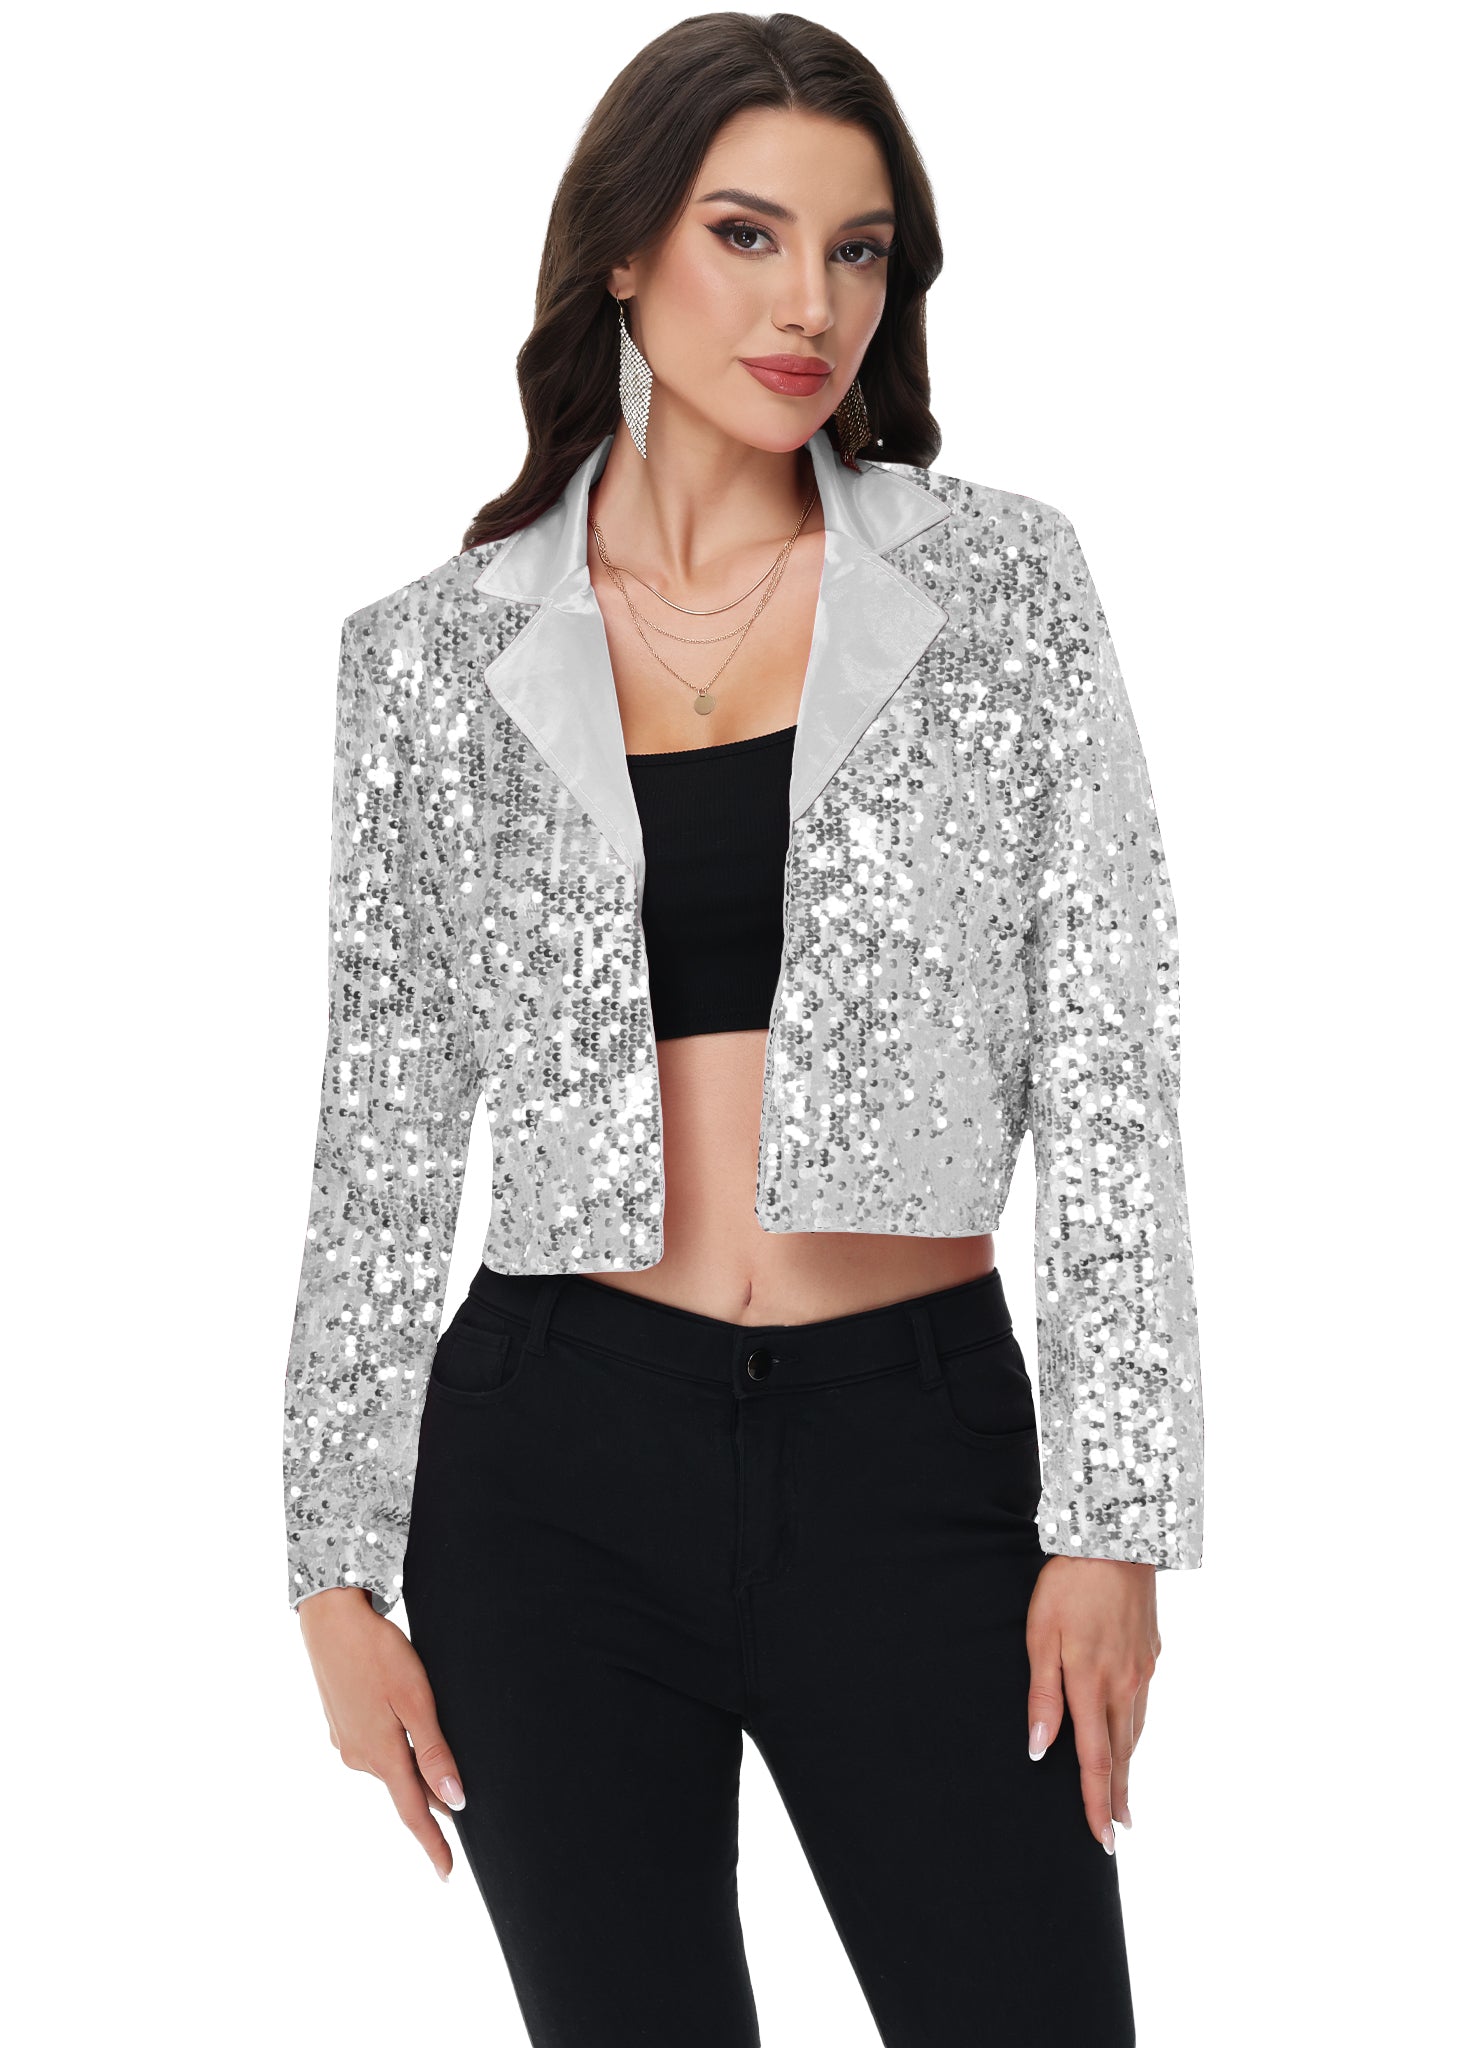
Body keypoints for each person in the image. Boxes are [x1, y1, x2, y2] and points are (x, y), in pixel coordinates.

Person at [283, 14, 1204, 2045]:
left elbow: (1110, 1061)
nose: (810, 306)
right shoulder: (425, 658)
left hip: (917, 1450)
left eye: (858, 251)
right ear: (623, 248)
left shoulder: (1003, 586)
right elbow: (380, 1127)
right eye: (746, 234)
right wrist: (330, 1568)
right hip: (548, 1467)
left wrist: (1113, 1518)